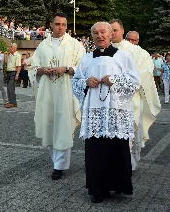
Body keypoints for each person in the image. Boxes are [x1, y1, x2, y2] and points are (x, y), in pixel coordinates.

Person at [72, 21, 140, 203]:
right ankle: (97, 189)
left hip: (115, 113)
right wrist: (86, 82)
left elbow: (134, 81)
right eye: (95, 33)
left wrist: (114, 80)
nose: (99, 36)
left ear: (111, 34)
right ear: (92, 36)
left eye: (103, 32)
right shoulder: (86, 58)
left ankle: (118, 185)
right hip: (94, 112)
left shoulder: (123, 56)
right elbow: (75, 82)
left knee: (116, 148)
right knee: (96, 151)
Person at [29, 12, 86, 180]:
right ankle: (55, 161)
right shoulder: (43, 46)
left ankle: (60, 166)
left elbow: (83, 68)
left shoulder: (75, 45)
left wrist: (67, 69)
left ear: (66, 26)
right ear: (51, 25)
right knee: (49, 124)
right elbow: (33, 67)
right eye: (57, 24)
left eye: (63, 25)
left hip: (66, 92)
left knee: (63, 126)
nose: (60, 27)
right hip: (47, 91)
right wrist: (42, 70)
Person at [110, 19, 161, 170]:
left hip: (131, 99)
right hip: (109, 100)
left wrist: (118, 81)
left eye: (115, 30)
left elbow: (144, 73)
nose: (112, 33)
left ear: (122, 31)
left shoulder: (137, 52)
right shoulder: (103, 49)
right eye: (110, 30)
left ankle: (129, 165)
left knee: (131, 132)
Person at [4, 43, 21, 108]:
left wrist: (17, 75)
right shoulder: (10, 55)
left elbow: (19, 66)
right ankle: (12, 102)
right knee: (9, 88)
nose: (10, 48)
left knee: (10, 88)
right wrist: (5, 56)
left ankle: (12, 102)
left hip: (13, 73)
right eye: (10, 46)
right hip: (8, 72)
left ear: (15, 48)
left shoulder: (18, 55)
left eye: (11, 47)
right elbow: (6, 63)